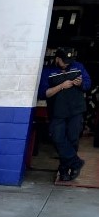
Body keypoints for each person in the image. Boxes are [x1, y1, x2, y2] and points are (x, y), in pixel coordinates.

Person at [39, 48, 92, 181]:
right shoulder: (48, 71)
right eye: (64, 61)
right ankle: (76, 162)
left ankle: (64, 170)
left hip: (76, 110)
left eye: (69, 61)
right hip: (57, 112)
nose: (67, 64)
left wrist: (81, 84)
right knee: (57, 138)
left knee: (73, 139)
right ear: (57, 58)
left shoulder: (78, 67)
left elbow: (88, 84)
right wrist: (61, 86)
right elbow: (43, 93)